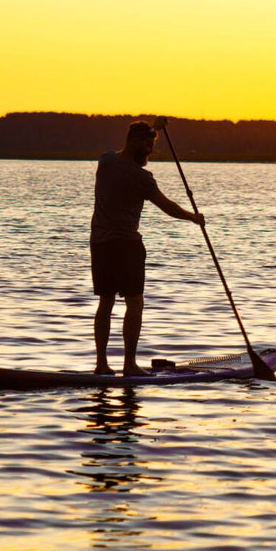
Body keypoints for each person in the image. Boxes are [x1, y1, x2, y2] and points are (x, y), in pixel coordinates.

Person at [90, 117, 205, 376]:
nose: (150, 151)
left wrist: (153, 129)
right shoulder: (142, 178)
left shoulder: (105, 161)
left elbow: (134, 143)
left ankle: (101, 365)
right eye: (147, 145)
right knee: (135, 303)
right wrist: (193, 217)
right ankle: (129, 365)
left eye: (152, 145)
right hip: (126, 244)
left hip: (99, 243)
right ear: (133, 142)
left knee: (105, 302)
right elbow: (167, 206)